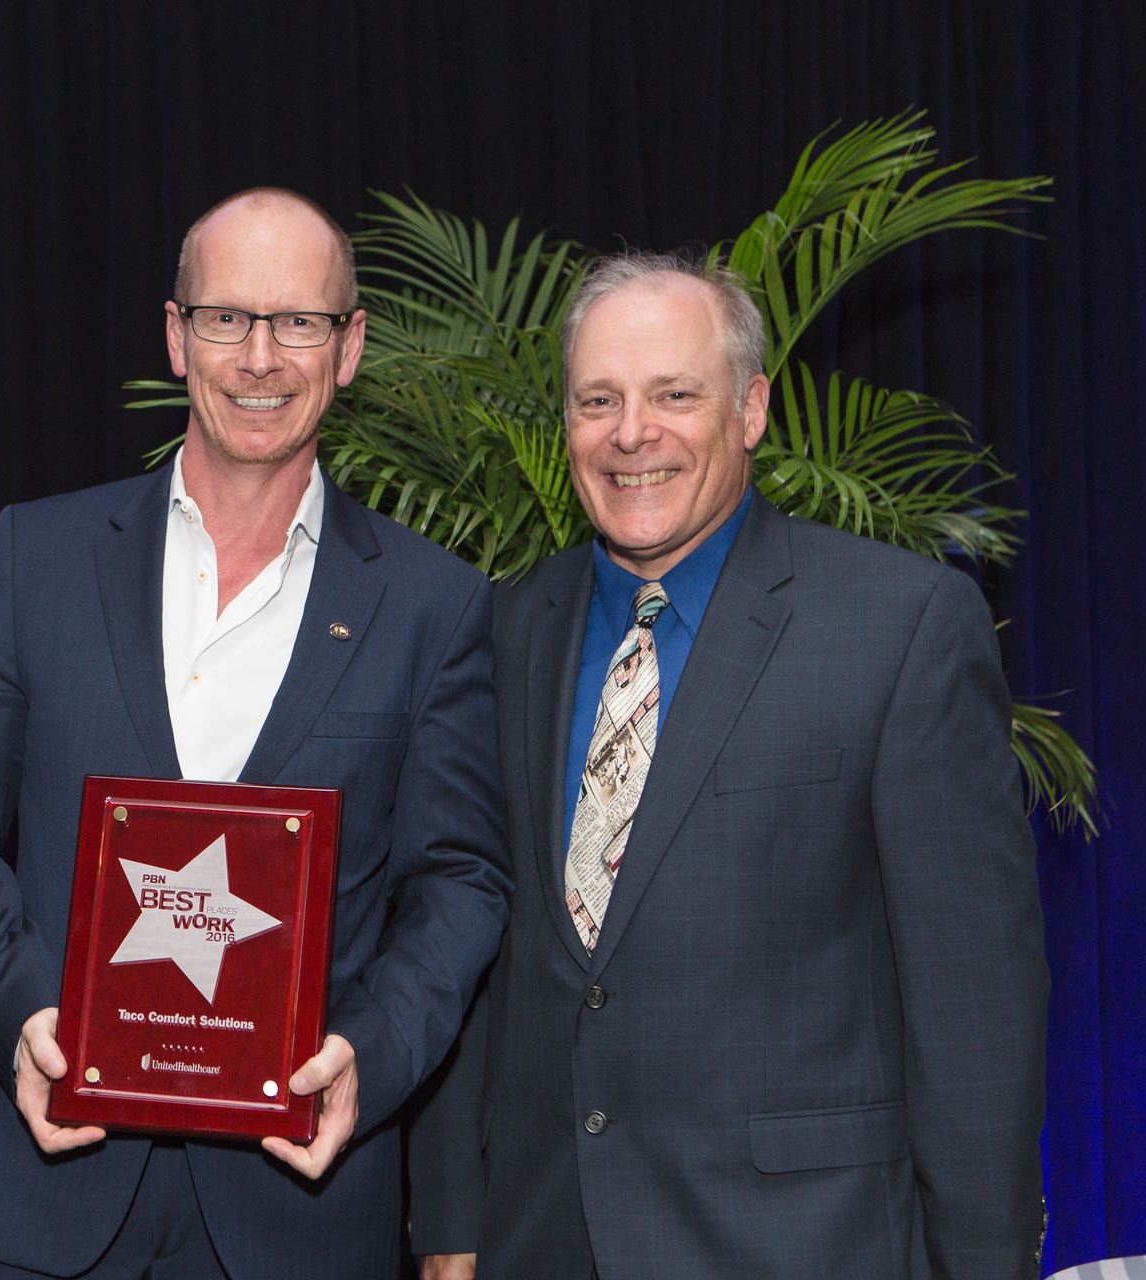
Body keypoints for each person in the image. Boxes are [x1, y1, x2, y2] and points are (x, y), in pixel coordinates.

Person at [0, 187, 511, 1280]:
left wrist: (367, 1058)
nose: (260, 357)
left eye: (298, 322)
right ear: (178, 337)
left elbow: (458, 881)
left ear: (349, 346)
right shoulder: (39, 556)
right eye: (226, 318)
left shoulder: (434, 604)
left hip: (295, 1213)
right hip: (44, 1202)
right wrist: (23, 1011)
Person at [409, 254, 1049, 1280]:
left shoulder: (901, 626)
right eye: (598, 399)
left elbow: (973, 1006)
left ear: (750, 407)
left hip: (803, 1245)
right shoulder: (502, 628)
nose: (632, 432)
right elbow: (469, 938)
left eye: (675, 394)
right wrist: (449, 1218)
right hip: (542, 1240)